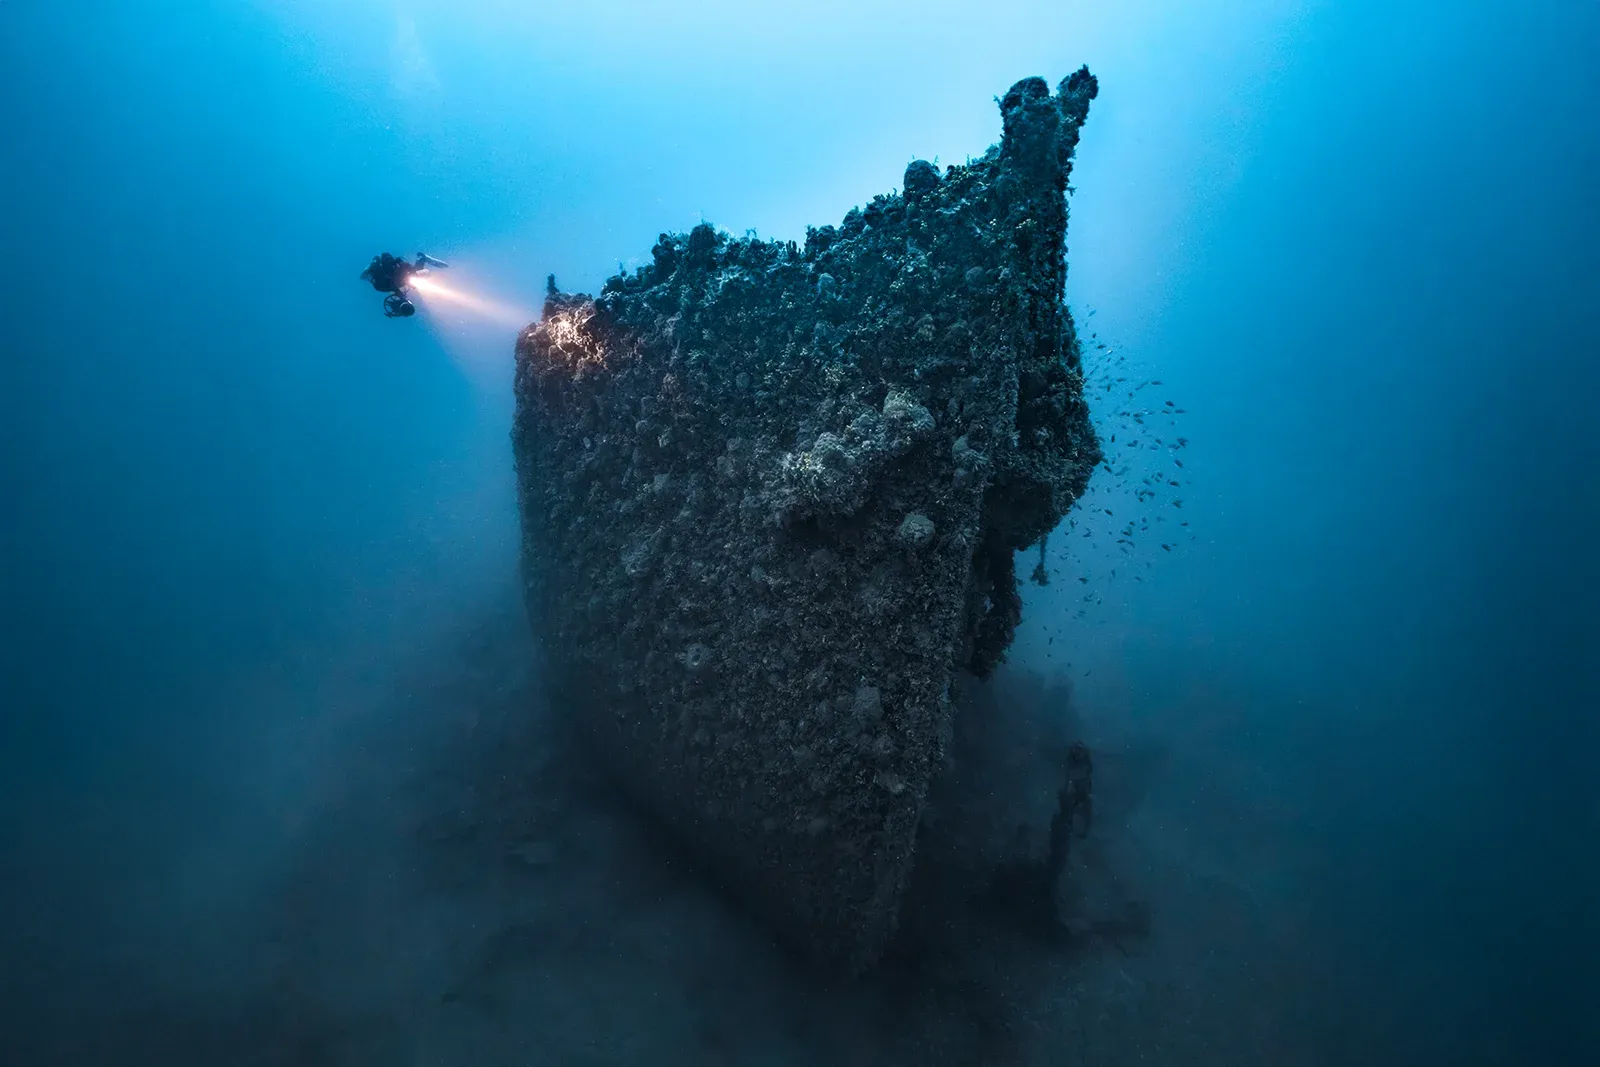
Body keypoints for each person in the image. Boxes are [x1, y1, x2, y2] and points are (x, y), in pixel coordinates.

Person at [360, 252, 449, 317]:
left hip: (399, 274)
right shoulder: (384, 284)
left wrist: (394, 263)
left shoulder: (384, 282)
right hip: (399, 276)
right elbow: (393, 287)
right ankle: (422, 258)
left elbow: (393, 285)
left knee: (413, 274)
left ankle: (422, 258)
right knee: (413, 274)